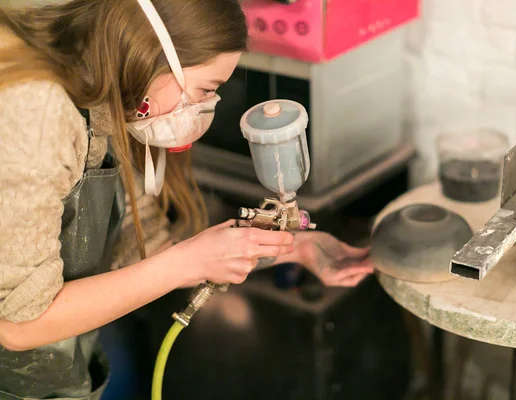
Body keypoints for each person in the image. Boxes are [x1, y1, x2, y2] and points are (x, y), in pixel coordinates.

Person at [0, 0, 374, 398]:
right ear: (153, 52)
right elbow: (21, 325)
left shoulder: (100, 102)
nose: (204, 107)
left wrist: (295, 249)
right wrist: (188, 262)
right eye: (205, 90)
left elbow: (146, 251)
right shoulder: (38, 108)